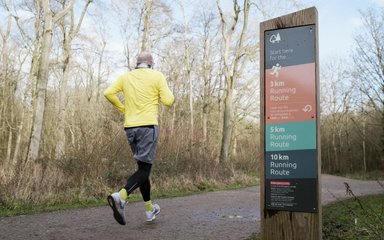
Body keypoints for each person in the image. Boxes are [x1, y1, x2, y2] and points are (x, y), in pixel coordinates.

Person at [103, 52, 174, 225]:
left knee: (143, 169)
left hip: (130, 128)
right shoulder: (157, 76)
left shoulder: (126, 77)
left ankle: (150, 210)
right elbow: (169, 101)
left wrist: (123, 109)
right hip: (148, 127)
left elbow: (108, 93)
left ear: (137, 63)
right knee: (144, 170)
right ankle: (121, 196)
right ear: (151, 64)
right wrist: (157, 93)